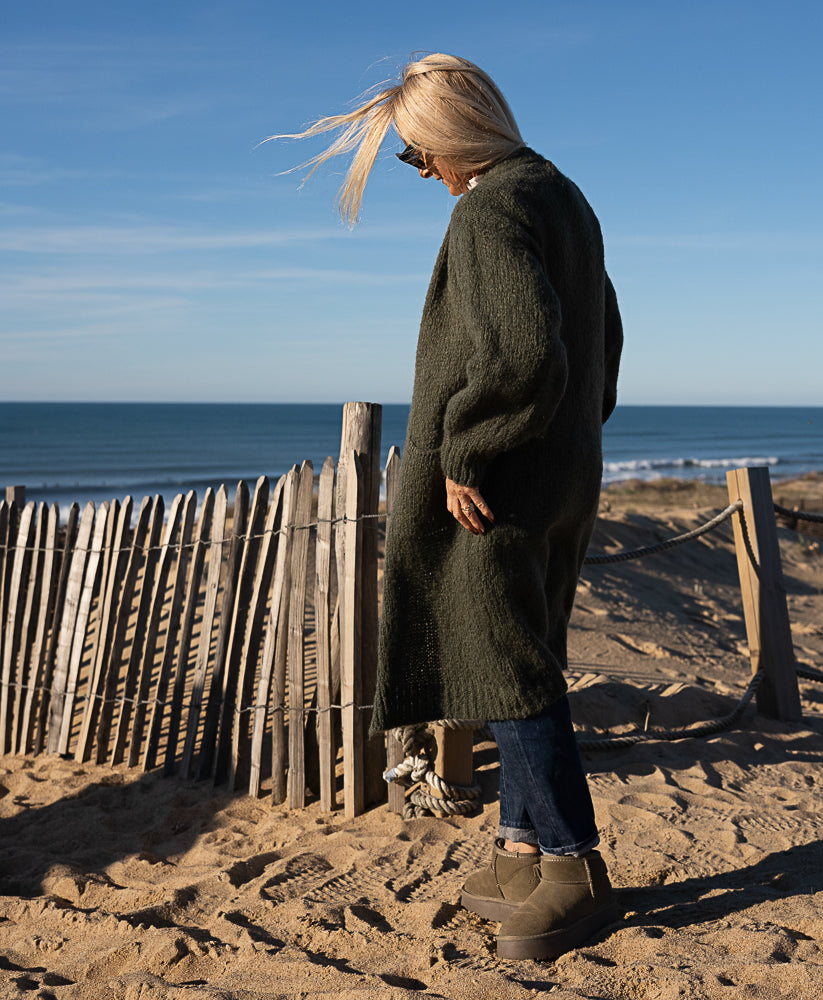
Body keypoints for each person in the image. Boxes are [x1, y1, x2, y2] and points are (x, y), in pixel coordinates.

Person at [279, 53, 623, 960]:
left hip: (499, 484)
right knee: (518, 651)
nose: (422, 172)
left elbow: (521, 351)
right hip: (562, 472)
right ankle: (518, 851)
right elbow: (602, 341)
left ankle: (572, 867)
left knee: (508, 668)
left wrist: (468, 448)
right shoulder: (565, 198)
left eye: (418, 154)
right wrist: (572, 435)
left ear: (456, 135)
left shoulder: (491, 207)